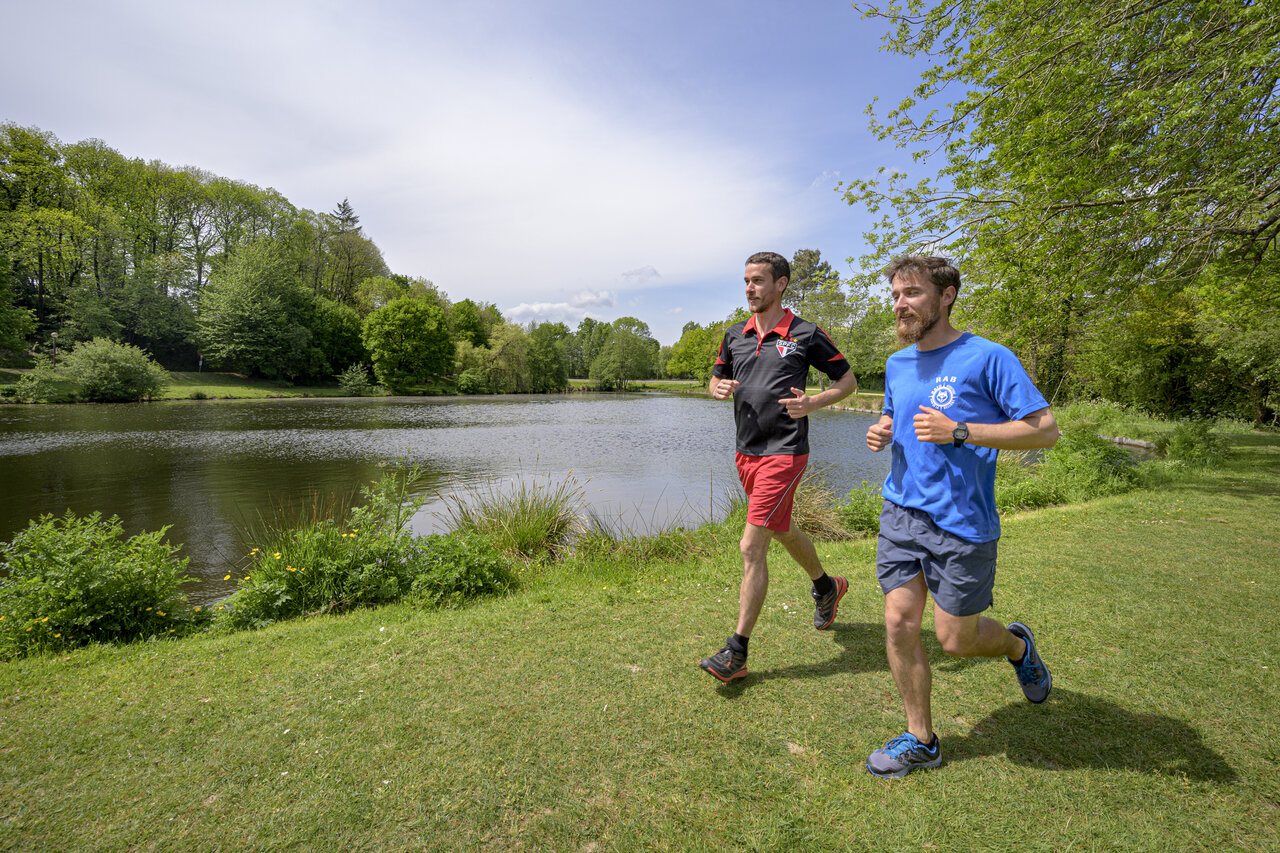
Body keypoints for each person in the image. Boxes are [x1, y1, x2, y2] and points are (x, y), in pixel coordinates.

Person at [863, 255, 1059, 778]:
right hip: (901, 511)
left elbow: (1044, 430)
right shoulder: (897, 362)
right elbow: (893, 412)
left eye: (912, 293)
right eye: (896, 294)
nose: (900, 303)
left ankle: (1017, 645)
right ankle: (921, 739)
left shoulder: (987, 357)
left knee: (956, 640)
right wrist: (882, 429)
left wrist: (962, 430)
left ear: (946, 296)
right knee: (899, 623)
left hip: (962, 524)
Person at [699, 251, 858, 682]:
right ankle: (827, 587)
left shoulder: (805, 334)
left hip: (785, 452)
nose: (749, 288)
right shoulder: (735, 334)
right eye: (746, 281)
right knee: (781, 527)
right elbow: (715, 376)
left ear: (781, 284)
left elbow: (848, 381)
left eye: (758, 281)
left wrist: (813, 403)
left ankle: (737, 652)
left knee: (752, 546)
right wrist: (716, 386)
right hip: (745, 451)